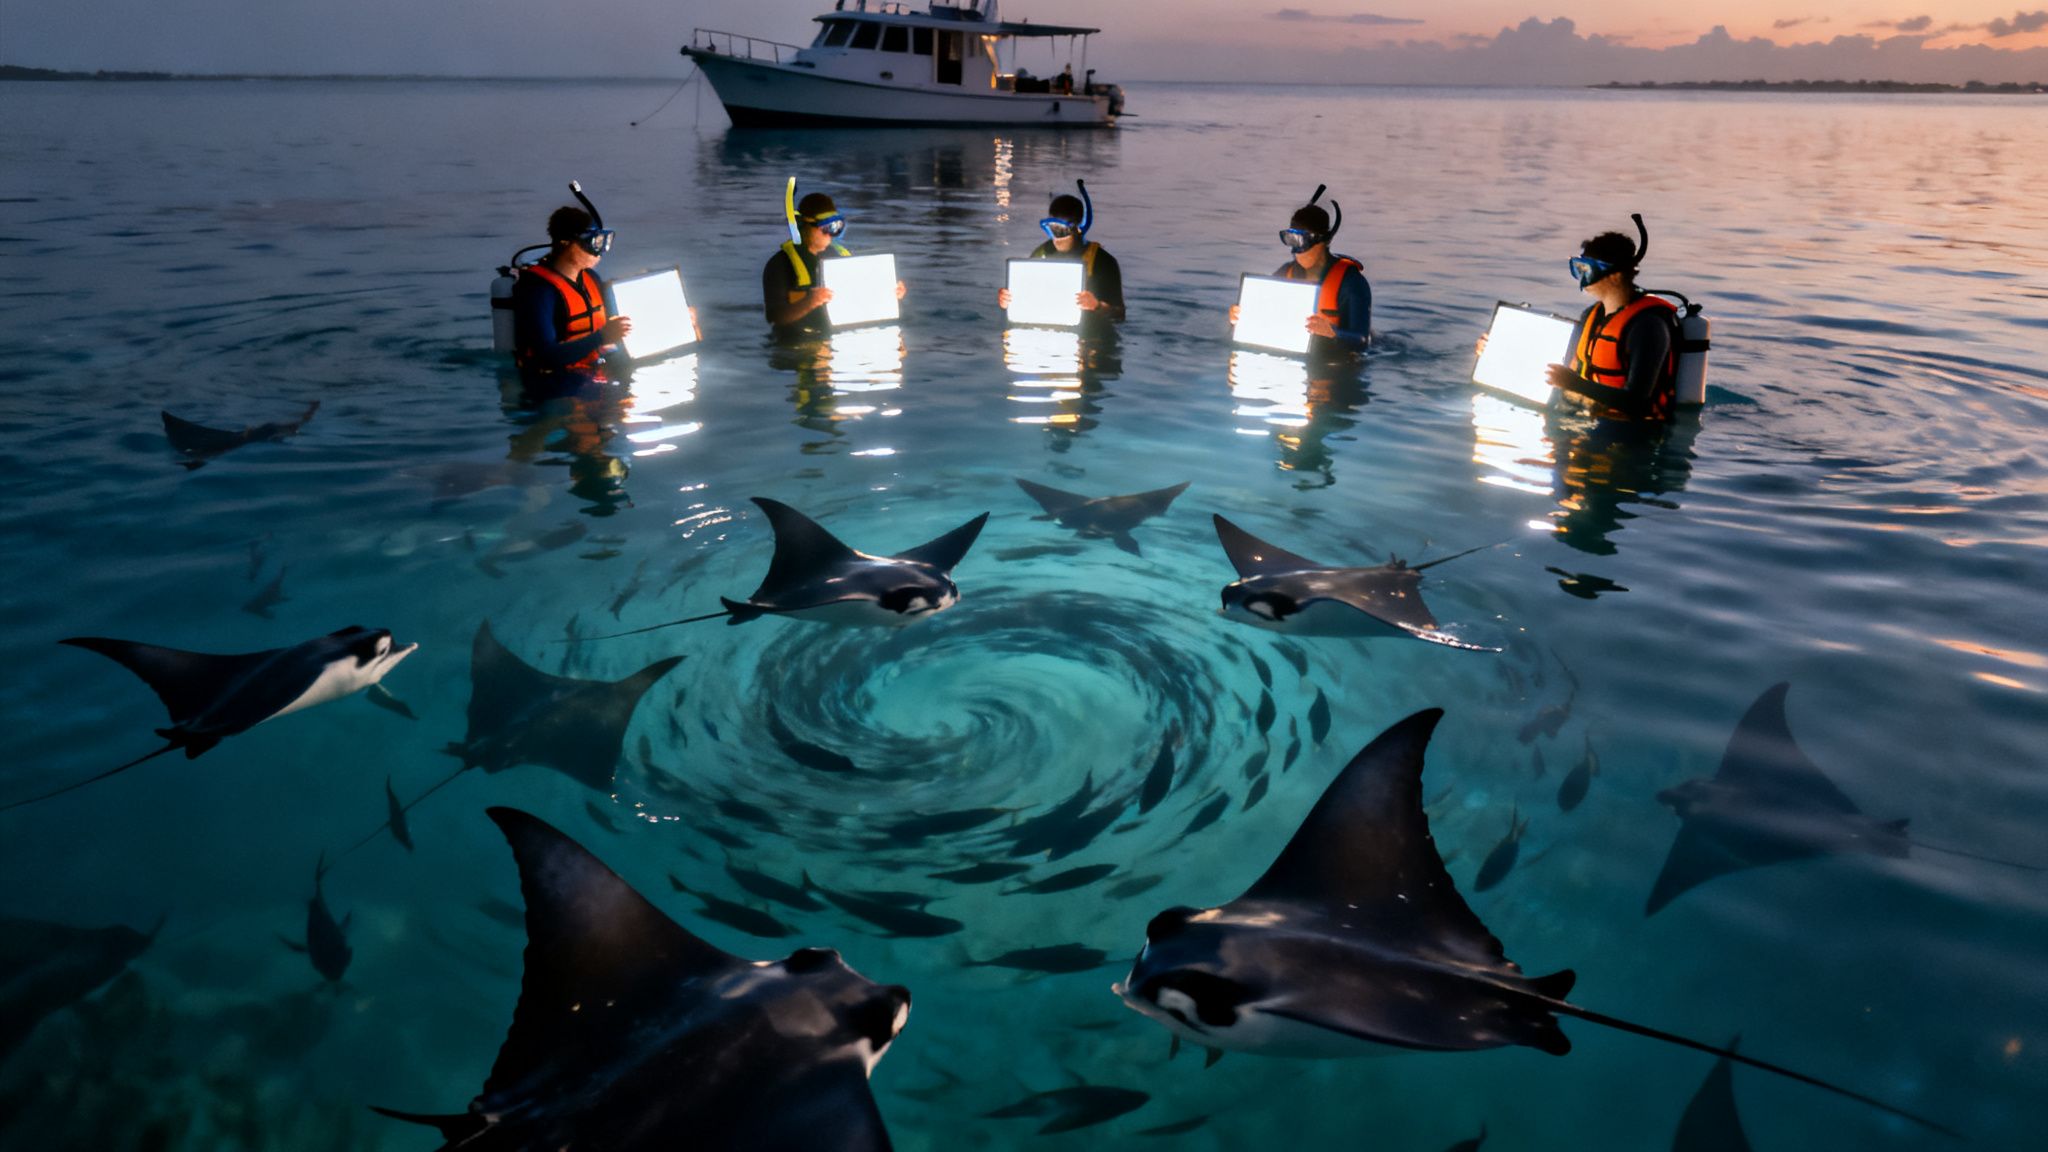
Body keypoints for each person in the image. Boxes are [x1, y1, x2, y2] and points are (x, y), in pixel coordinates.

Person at [1546, 222, 1679, 421]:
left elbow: (1638, 403)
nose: (1583, 279)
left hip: (1630, 433)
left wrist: (1575, 385)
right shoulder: (1590, 315)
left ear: (1616, 277)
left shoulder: (1648, 326)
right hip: (1584, 418)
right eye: (1578, 269)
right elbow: (1563, 369)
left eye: (1588, 271)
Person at [1229, 186, 1371, 360]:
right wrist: (1238, 319)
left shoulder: (1352, 283)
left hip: (1342, 361)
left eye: (1301, 242)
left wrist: (1332, 333)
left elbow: (1363, 341)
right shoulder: (1285, 273)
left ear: (1323, 241)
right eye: (1290, 241)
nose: (1295, 251)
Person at [513, 205, 632, 394]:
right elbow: (546, 356)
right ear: (565, 242)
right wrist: (601, 337)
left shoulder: (591, 278)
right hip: (554, 382)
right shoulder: (539, 291)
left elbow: (615, 328)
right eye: (591, 242)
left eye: (602, 241)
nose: (598, 251)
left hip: (593, 370)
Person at [762, 188, 906, 340]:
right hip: (795, 341)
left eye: (836, 227)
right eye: (826, 227)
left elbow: (861, 297)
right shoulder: (779, 265)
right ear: (803, 226)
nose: (830, 234)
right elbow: (775, 317)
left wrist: (891, 294)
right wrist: (809, 302)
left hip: (837, 337)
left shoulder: (839, 258)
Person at [996, 182, 1125, 326]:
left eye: (1061, 231)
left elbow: (1119, 315)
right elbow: (1024, 301)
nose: (1056, 238)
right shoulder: (1041, 254)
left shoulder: (1103, 262)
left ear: (1077, 229)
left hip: (1092, 335)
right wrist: (1007, 301)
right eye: (1051, 229)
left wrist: (1097, 306)